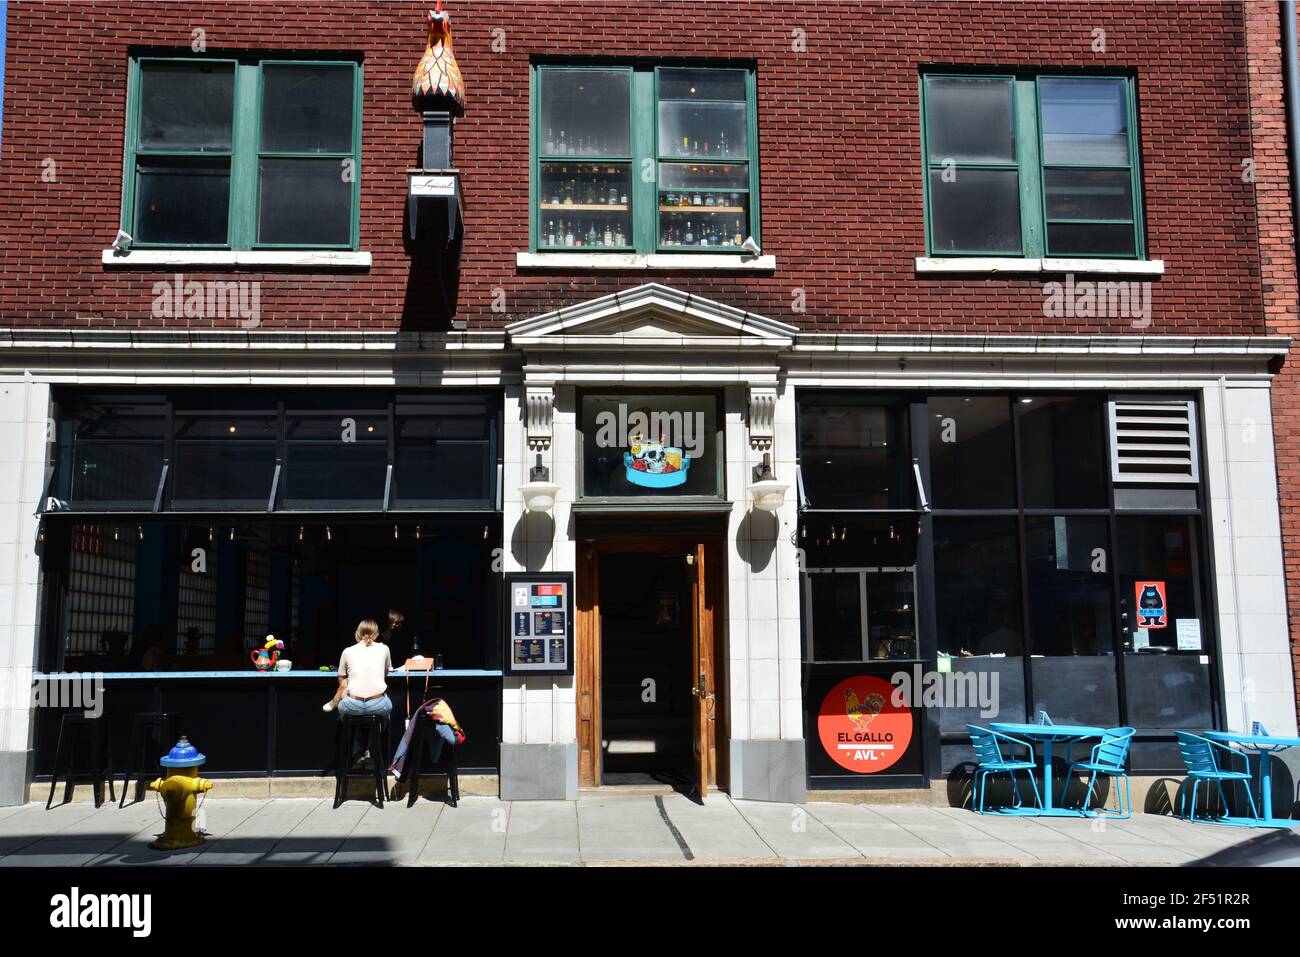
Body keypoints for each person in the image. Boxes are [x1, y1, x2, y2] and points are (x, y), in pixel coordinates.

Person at [322, 619, 393, 719]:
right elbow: (386, 672)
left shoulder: (347, 651)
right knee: (387, 704)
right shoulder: (384, 648)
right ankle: (381, 732)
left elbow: (341, 679)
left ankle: (347, 730)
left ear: (358, 633)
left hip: (352, 705)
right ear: (376, 634)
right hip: (379, 706)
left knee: (342, 708)